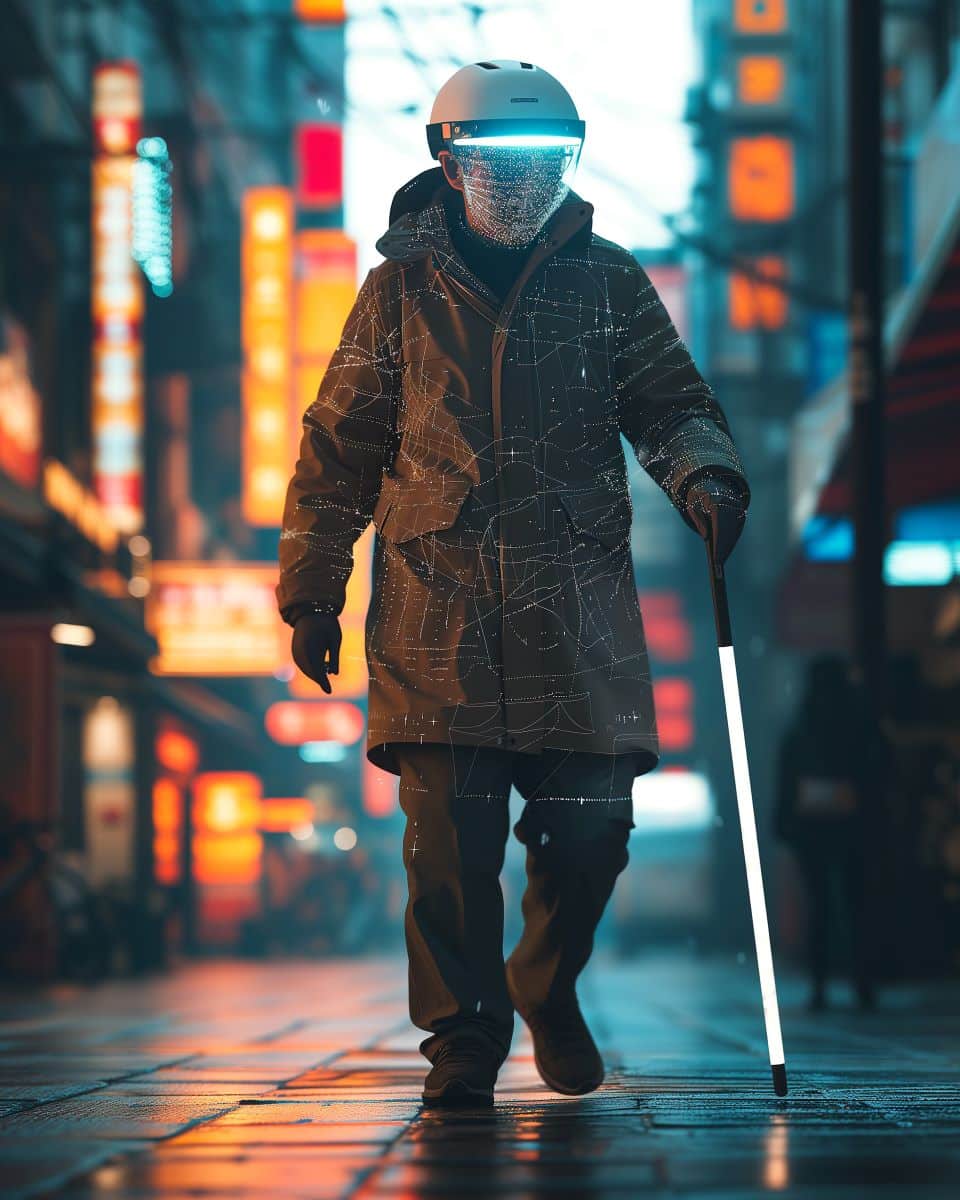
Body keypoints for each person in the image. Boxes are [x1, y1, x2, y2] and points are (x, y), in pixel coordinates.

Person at [276, 60, 750, 1107]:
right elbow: (341, 443)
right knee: (447, 852)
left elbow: (670, 403)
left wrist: (707, 475)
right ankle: (464, 1038)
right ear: (449, 163)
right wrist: (312, 587)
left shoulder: (610, 280)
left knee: (592, 832)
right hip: (437, 615)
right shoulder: (398, 293)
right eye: (498, 159)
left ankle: (546, 978)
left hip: (575, 616)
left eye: (544, 160)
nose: (522, 180)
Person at [775, 655, 887, 1011]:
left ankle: (821, 984)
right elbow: (877, 770)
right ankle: (862, 982)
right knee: (857, 906)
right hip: (851, 826)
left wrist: (784, 821)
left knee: (820, 908)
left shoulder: (803, 723)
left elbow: (786, 777)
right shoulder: (859, 721)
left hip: (813, 827)